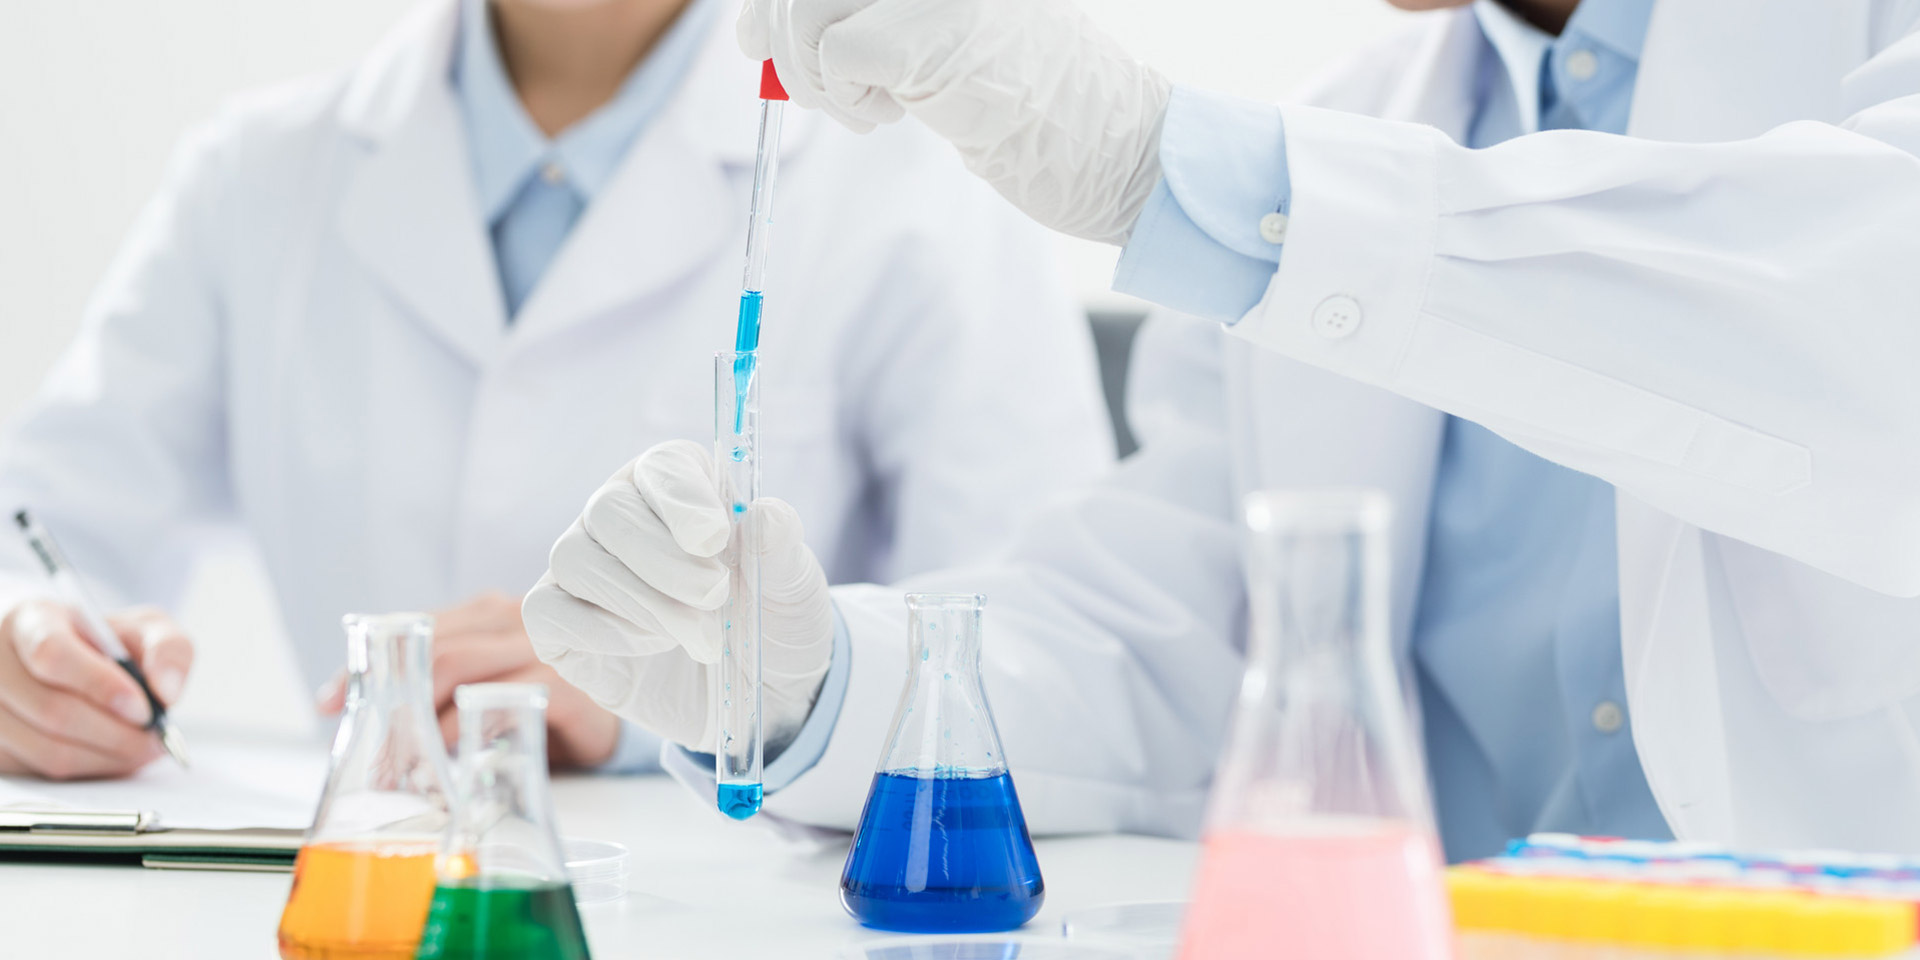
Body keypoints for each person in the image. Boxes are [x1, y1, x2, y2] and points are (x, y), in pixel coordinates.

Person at [522, 0, 1920, 861]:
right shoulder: (1352, 125)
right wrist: (811, 684)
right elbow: (1169, 647)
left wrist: (1172, 172)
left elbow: (1859, 339)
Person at [0, 0, 1112, 781]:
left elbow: (1043, 667)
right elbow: (42, 530)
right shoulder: (256, 176)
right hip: (365, 892)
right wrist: (26, 647)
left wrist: (675, 711)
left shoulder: (915, 188)